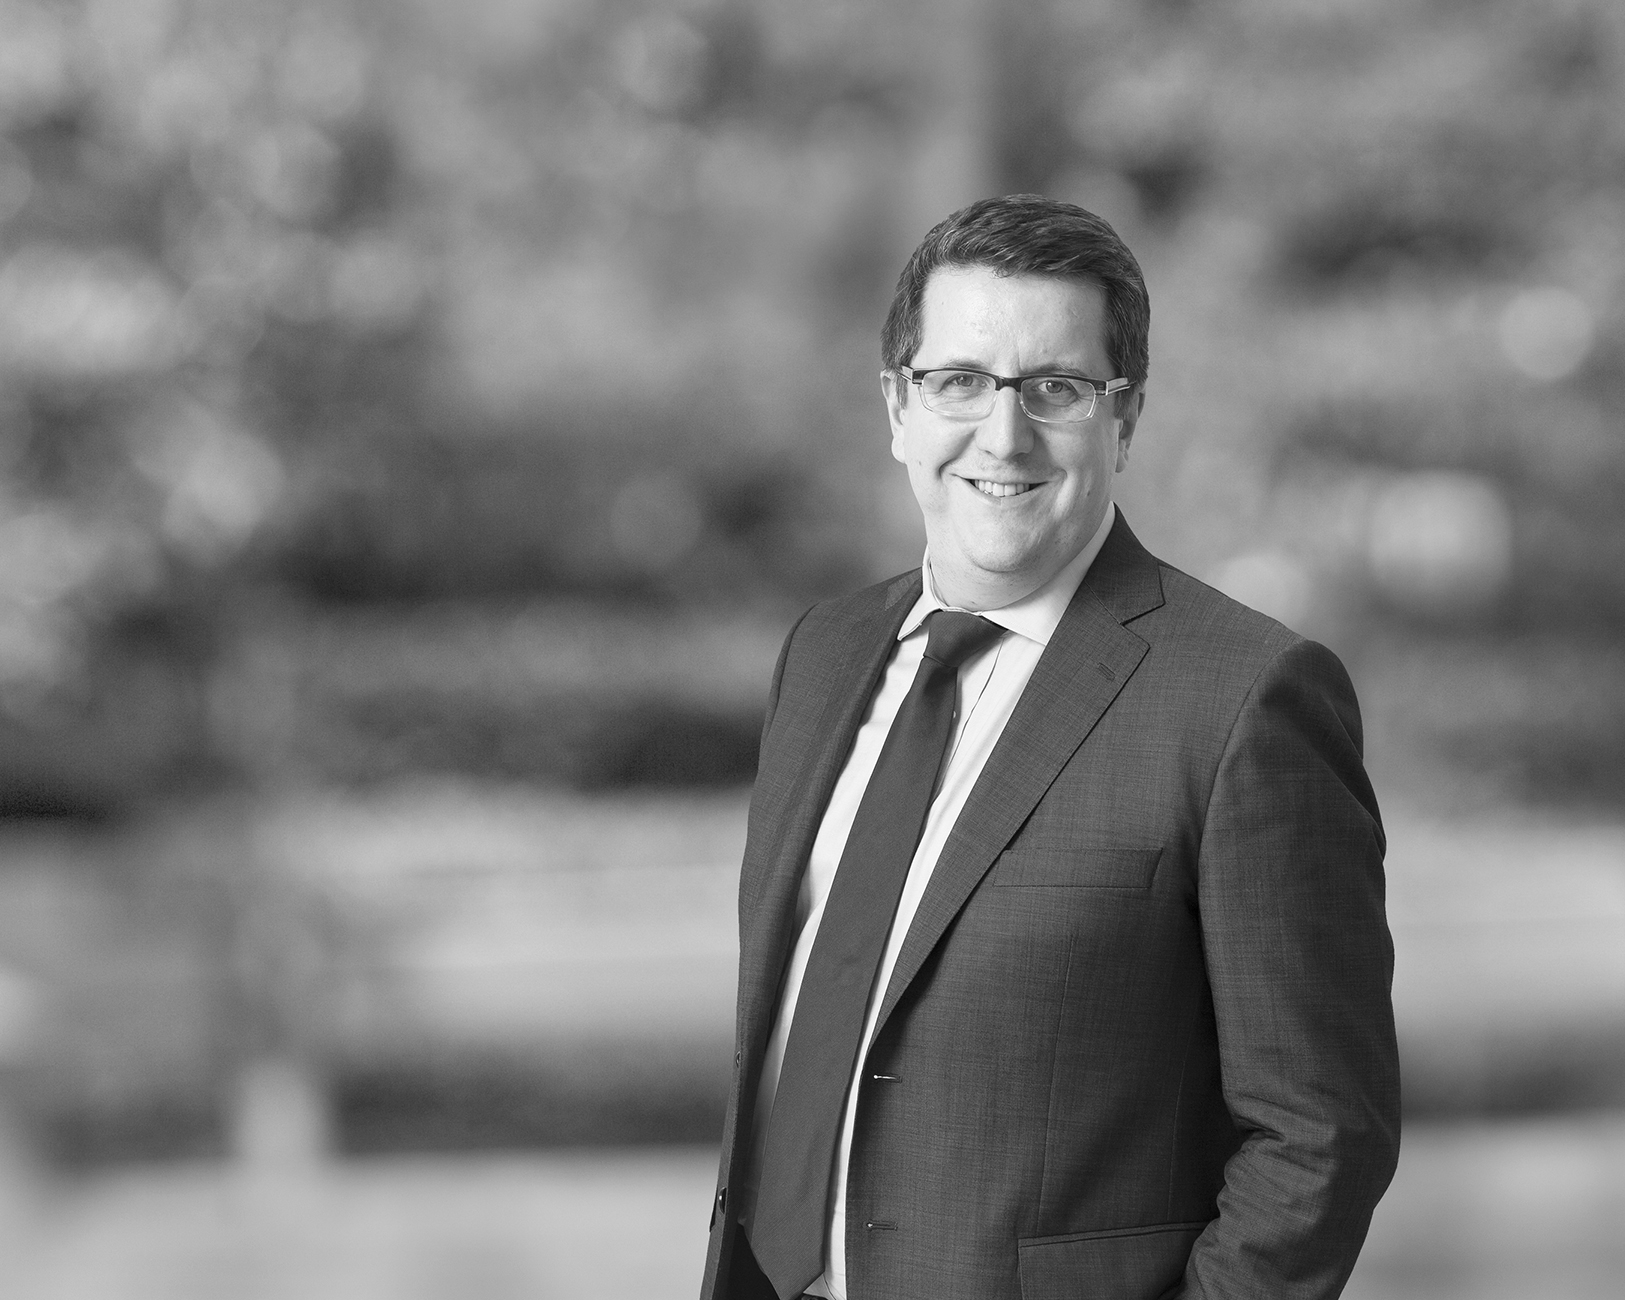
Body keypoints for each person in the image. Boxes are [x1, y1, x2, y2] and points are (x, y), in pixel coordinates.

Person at [700, 194, 1400, 1300]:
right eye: (959, 381)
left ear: (1124, 420)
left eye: (1056, 388)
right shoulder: (823, 656)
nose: (1003, 434)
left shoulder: (1243, 697)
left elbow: (1319, 1136)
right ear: (897, 406)